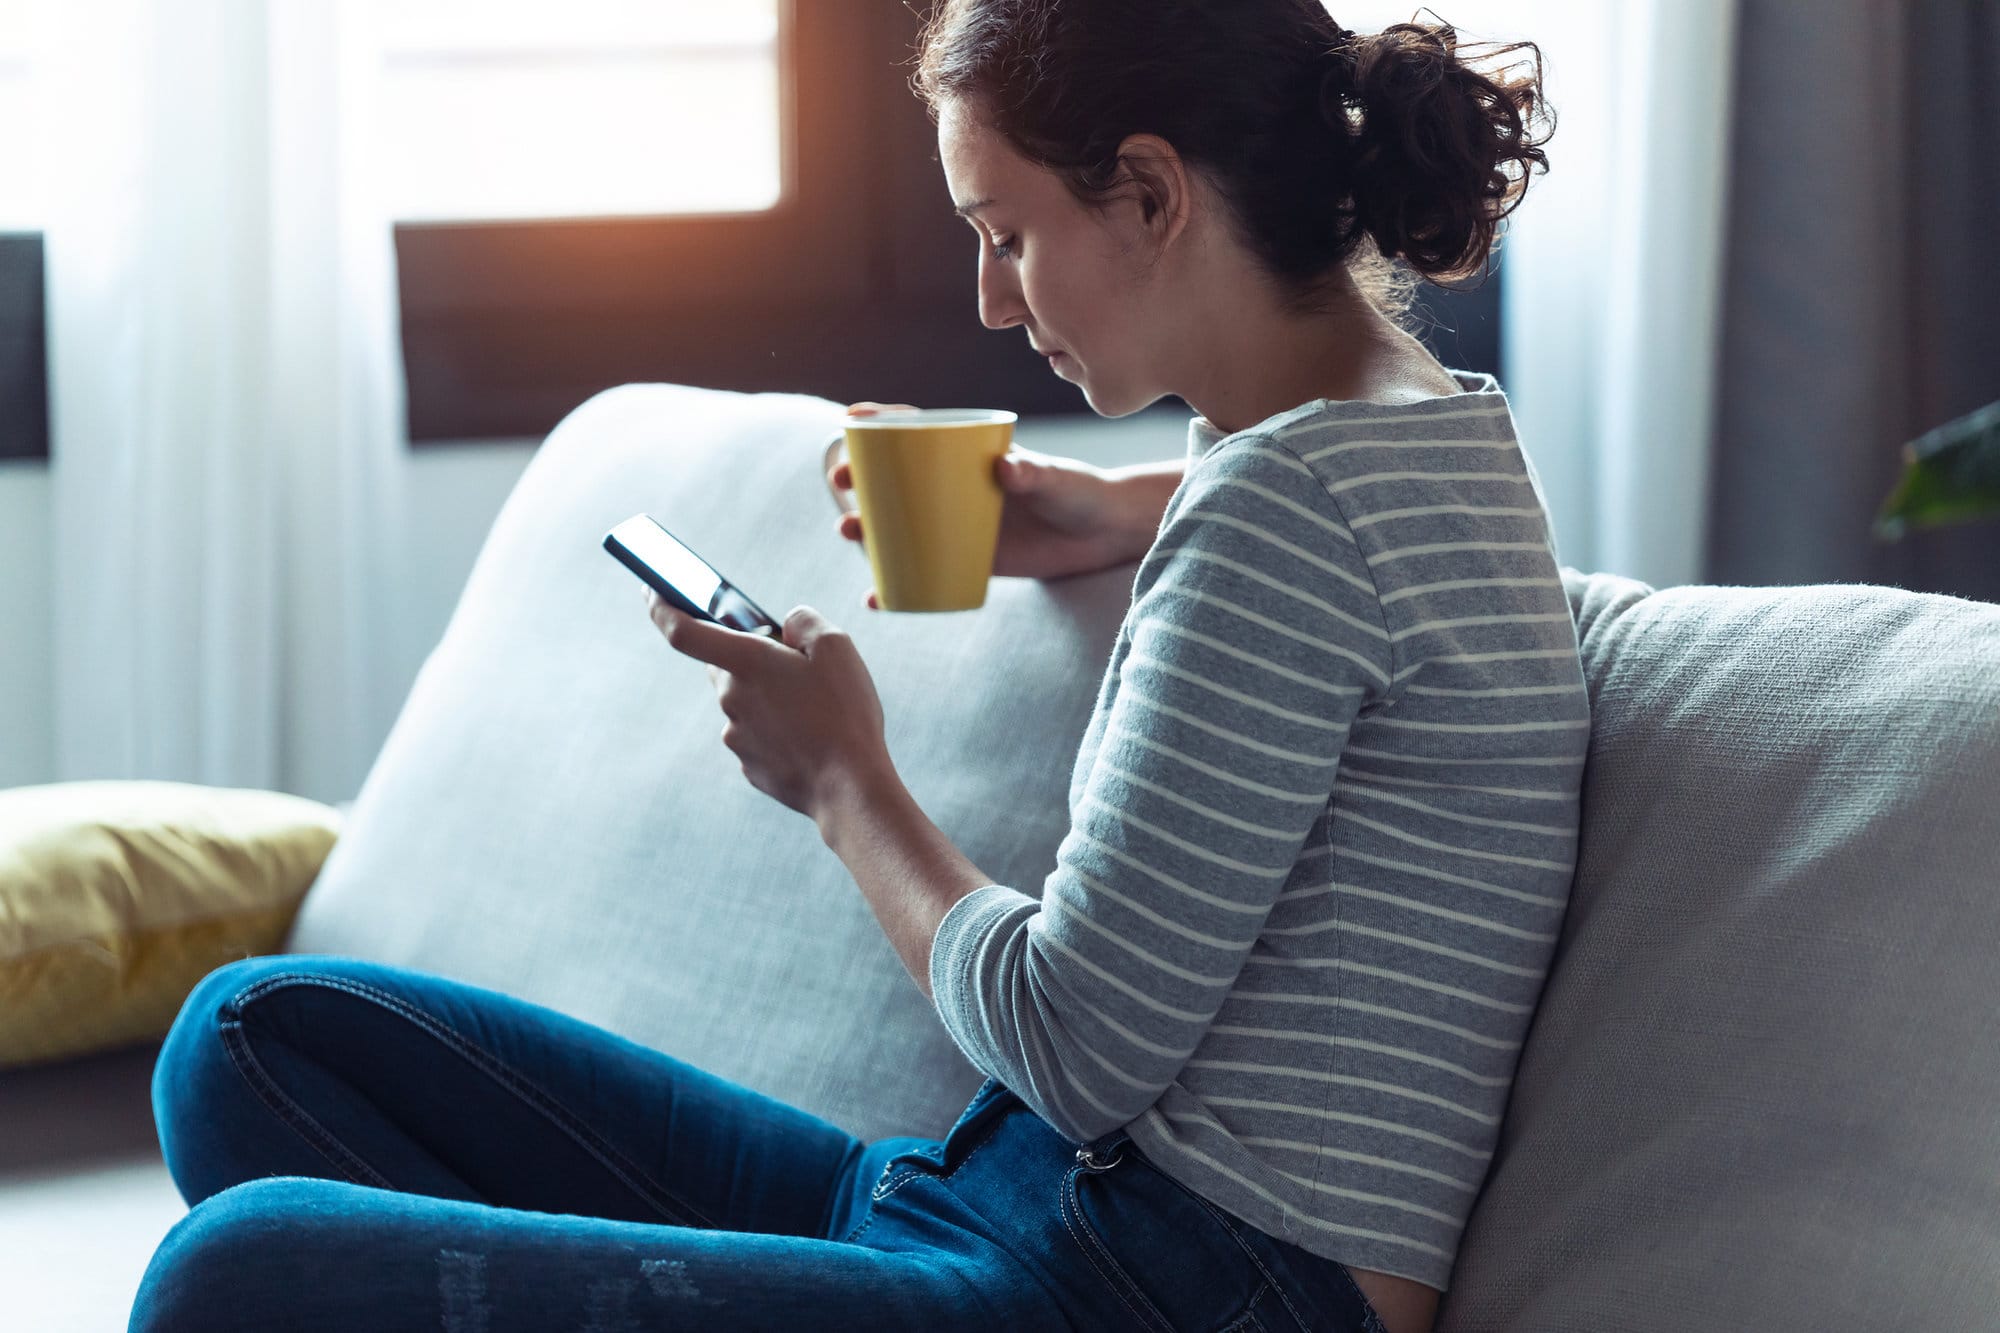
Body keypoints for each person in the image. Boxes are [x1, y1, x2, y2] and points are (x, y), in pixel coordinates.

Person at [130, 3, 1572, 1330]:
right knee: (248, 1035)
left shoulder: (1279, 517)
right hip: (991, 1203)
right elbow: (1350, 581)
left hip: (1142, 1290)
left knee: (223, 1280)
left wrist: (842, 777)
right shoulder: (1442, 438)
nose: (997, 303)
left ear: (1151, 191)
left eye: (1006, 232)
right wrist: (1124, 508)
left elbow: (1072, 1045)